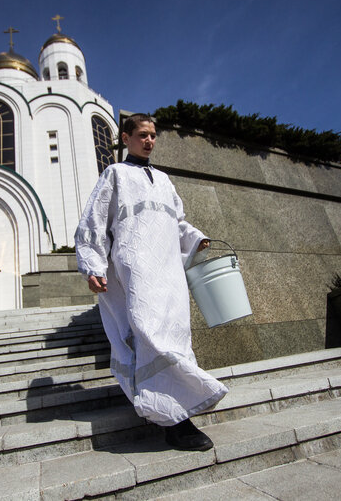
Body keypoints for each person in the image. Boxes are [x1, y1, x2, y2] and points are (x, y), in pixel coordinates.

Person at [74, 113, 227, 451]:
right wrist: (93, 264)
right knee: (149, 333)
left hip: (169, 272)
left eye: (154, 136)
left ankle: (176, 408)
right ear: (126, 138)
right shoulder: (115, 174)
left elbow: (177, 222)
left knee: (174, 335)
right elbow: (94, 223)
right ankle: (173, 420)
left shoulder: (164, 179)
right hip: (136, 269)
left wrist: (196, 238)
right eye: (142, 135)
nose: (149, 141)